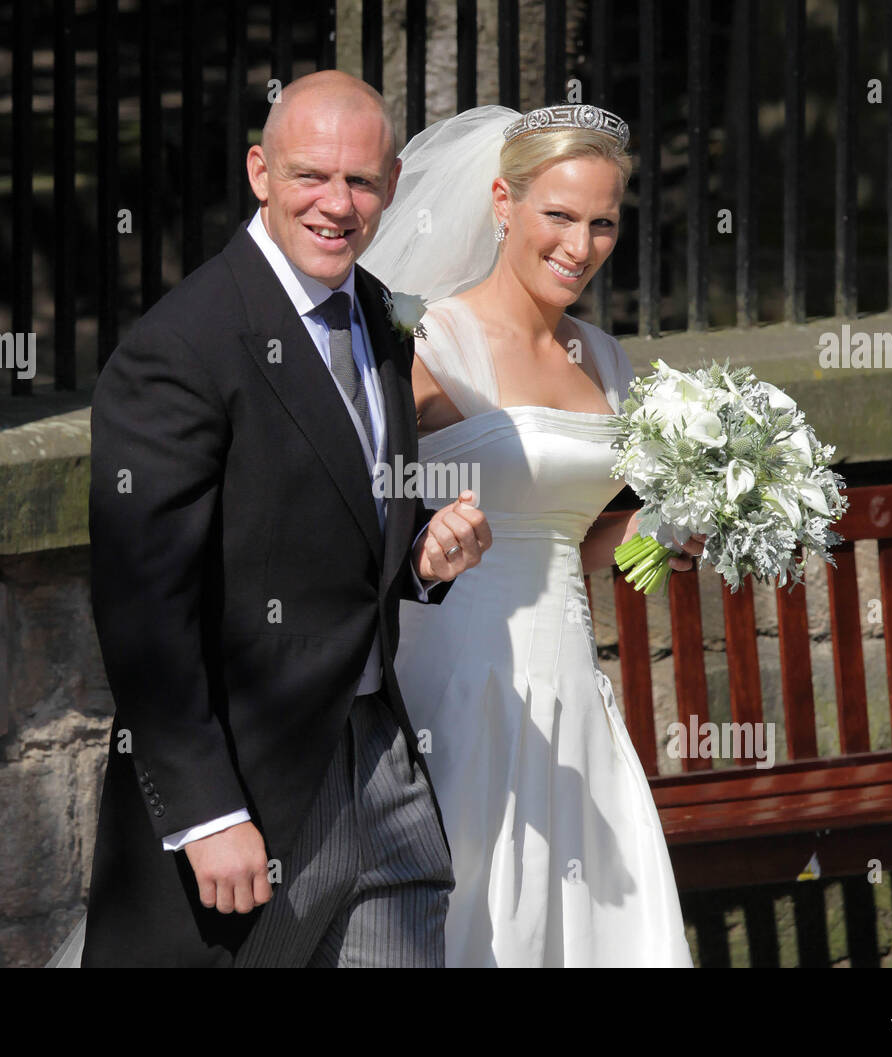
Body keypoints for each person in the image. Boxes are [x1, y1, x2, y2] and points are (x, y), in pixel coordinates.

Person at [52, 71, 491, 968]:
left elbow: (337, 504)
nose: (337, 204)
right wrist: (207, 810)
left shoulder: (380, 313)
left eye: (361, 182)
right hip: (253, 791)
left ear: (394, 185)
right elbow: (143, 603)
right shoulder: (180, 347)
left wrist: (419, 554)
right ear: (259, 172)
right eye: (310, 177)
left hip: (384, 765)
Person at [360, 103, 700, 966]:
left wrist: (665, 532)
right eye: (559, 217)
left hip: (573, 677)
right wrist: (429, 533)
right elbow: (370, 501)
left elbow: (577, 536)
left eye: (602, 224)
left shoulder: (606, 360)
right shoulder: (432, 340)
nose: (579, 247)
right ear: (504, 204)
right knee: (474, 898)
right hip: (463, 670)